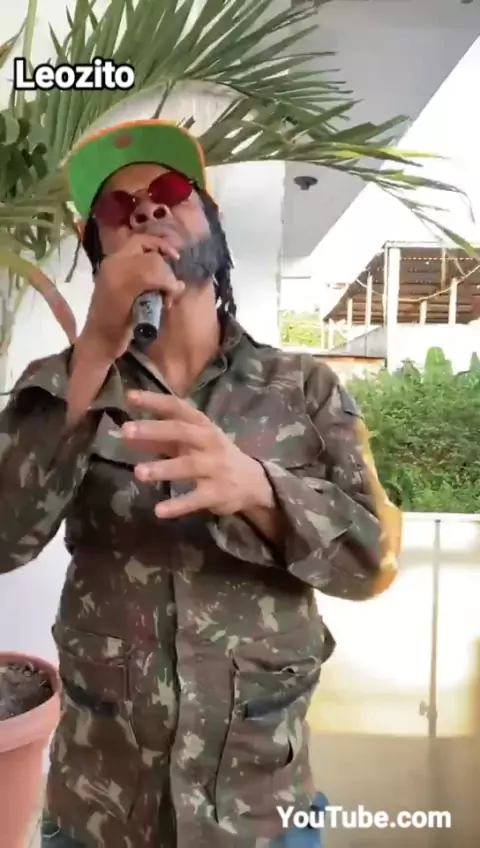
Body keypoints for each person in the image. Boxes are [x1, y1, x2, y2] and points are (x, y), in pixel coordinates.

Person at [0, 120, 402, 848]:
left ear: (212, 225)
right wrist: (93, 352)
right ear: (98, 251)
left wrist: (259, 490)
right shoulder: (58, 384)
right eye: (117, 208)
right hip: (100, 810)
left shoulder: (303, 387)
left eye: (169, 190)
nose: (147, 209)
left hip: (260, 809)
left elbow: (373, 561)